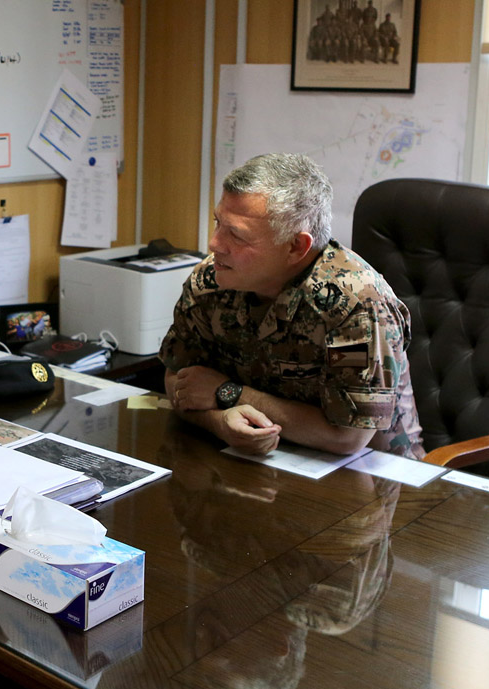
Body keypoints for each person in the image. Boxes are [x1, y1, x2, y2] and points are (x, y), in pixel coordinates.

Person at [160, 153, 423, 460]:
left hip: (371, 476)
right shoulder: (212, 279)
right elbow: (179, 382)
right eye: (219, 223)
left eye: (236, 234)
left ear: (296, 246)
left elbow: (347, 437)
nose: (215, 244)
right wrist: (219, 422)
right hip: (258, 461)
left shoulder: (356, 304)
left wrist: (229, 393)